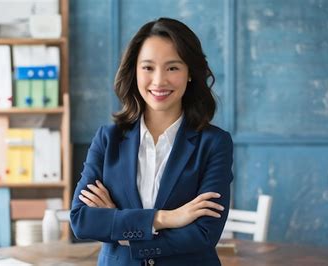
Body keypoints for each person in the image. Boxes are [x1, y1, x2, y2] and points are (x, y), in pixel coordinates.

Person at [70, 17, 233, 266]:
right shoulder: (107, 139)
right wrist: (165, 218)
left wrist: (119, 226)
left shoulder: (215, 143)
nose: (159, 81)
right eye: (148, 67)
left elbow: (203, 234)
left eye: (173, 68)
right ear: (134, 71)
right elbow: (82, 220)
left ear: (190, 73)